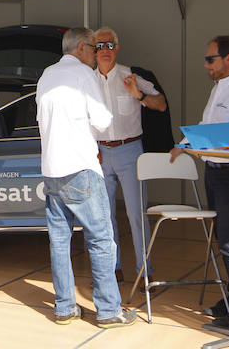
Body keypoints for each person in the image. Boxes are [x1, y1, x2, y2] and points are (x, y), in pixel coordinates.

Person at [36, 27, 136, 329]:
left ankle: (64, 307)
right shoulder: (84, 75)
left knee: (59, 240)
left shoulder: (46, 76)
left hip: (51, 170)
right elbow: (104, 122)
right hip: (80, 167)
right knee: (102, 239)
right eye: (94, 48)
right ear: (81, 48)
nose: (96, 54)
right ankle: (108, 310)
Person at [170, 35, 229, 330]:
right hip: (216, 171)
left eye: (210, 59)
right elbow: (207, 126)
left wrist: (203, 142)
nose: (205, 64)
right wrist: (185, 143)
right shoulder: (220, 88)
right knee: (225, 241)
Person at [93, 27, 167, 284]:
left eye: (110, 45)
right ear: (93, 50)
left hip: (129, 150)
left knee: (136, 214)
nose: (105, 50)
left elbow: (161, 104)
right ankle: (113, 268)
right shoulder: (87, 81)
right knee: (105, 215)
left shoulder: (130, 76)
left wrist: (139, 95)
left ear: (117, 48)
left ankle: (145, 272)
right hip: (99, 152)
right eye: (99, 46)